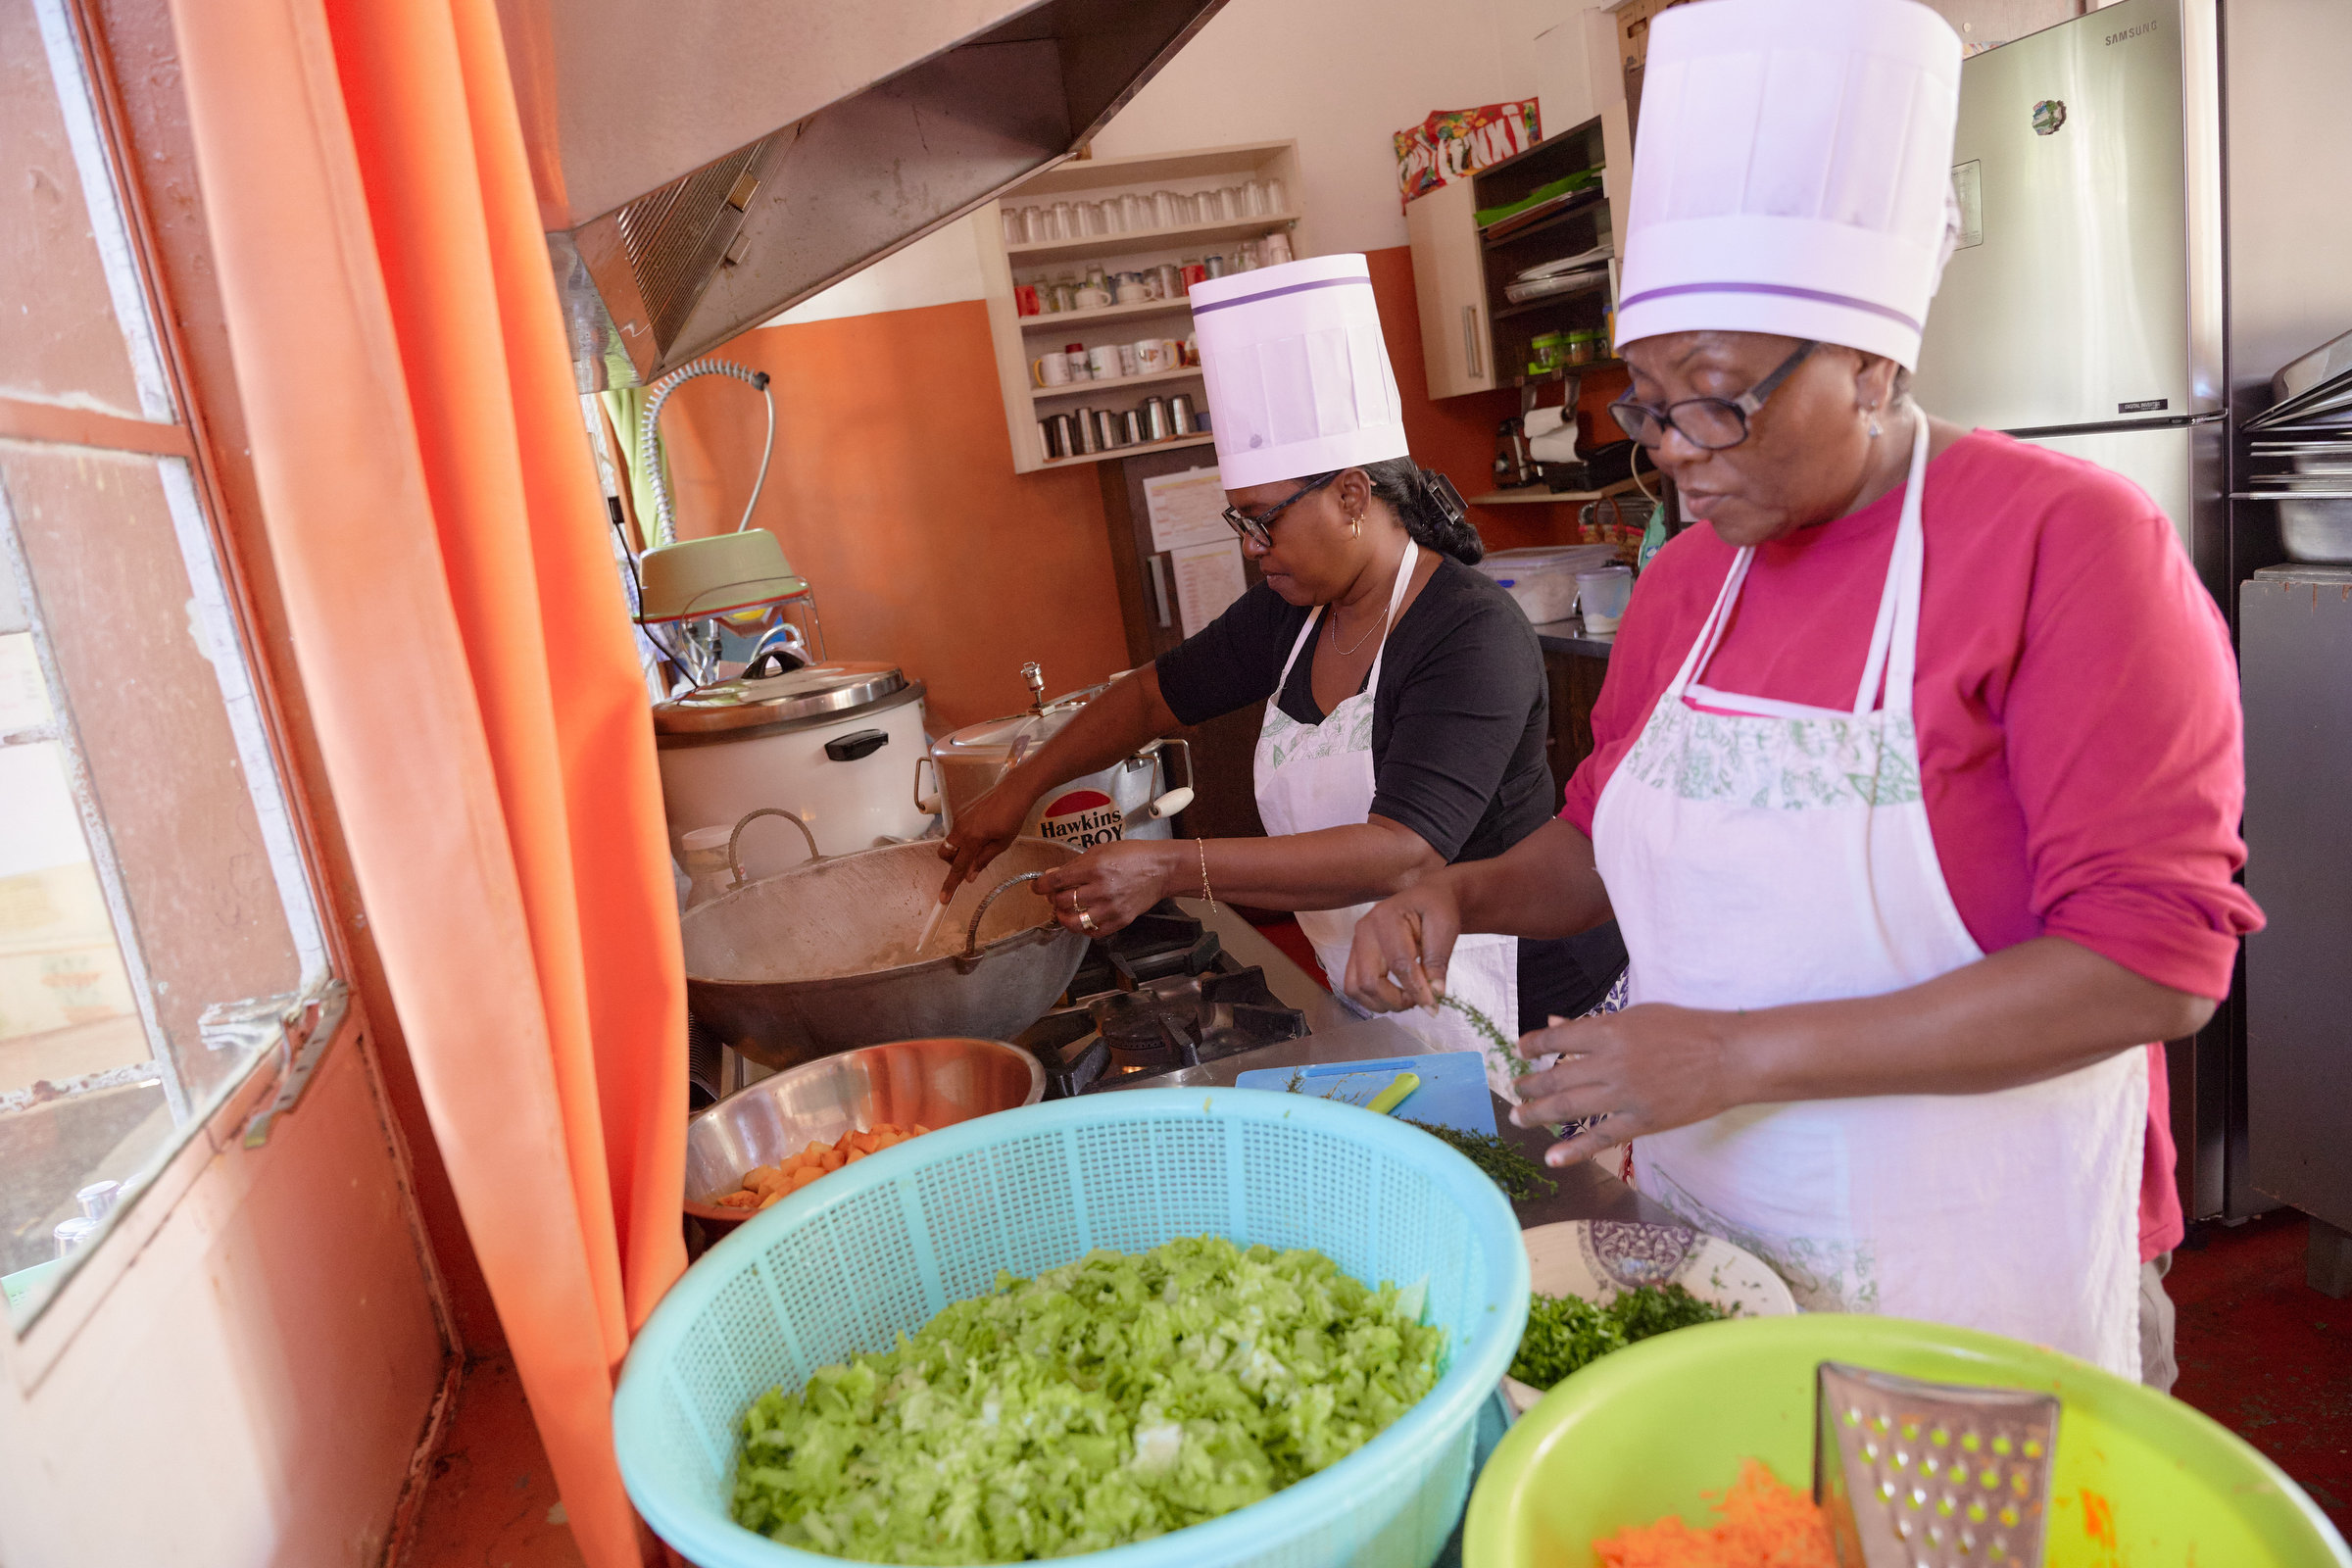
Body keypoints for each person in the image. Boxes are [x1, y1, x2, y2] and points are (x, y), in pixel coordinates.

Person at [1340, 0, 2260, 1381]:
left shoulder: (2068, 547)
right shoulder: (1686, 583)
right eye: (1646, 401)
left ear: (1872, 361)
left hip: (1978, 1248)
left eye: (1715, 394)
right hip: (1715, 1229)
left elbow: (2154, 965)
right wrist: (1458, 891)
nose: (1674, 452)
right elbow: (1600, 842)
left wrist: (1734, 1058)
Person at [938, 254, 1623, 1093]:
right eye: (1240, 521)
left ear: (1349, 494)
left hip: (1528, 1012)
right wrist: (1017, 789)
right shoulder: (1293, 613)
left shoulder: (1471, 633)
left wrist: (1166, 866)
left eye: (1263, 521)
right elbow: (1153, 695)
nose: (1249, 548)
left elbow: (1401, 852)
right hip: (1380, 992)